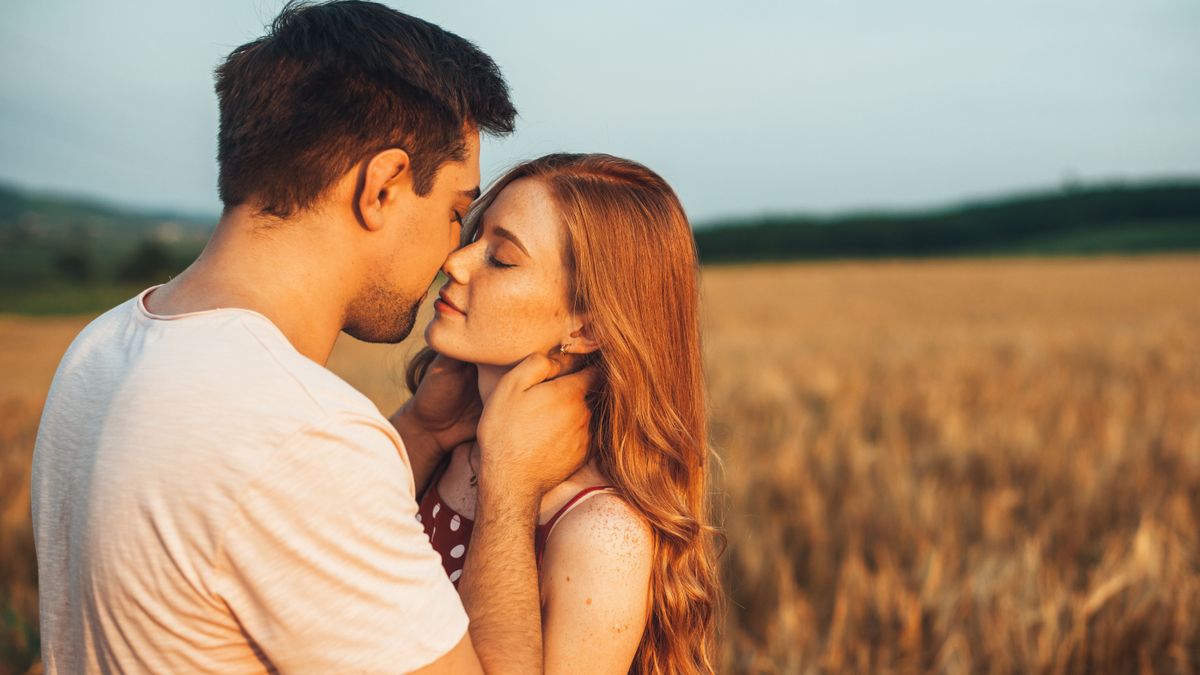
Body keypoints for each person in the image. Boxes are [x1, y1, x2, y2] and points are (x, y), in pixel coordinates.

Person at [30, 2, 591, 672]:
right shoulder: (302, 435)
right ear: (381, 187)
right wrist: (510, 486)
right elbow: (284, 480)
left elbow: (254, 539)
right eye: (454, 211)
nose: (451, 254)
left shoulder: (101, 345)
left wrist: (421, 428)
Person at [407, 153, 723, 674]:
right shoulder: (445, 443)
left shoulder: (600, 536)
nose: (456, 262)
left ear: (586, 327)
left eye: (502, 259)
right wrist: (421, 430)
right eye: (474, 237)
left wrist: (508, 488)